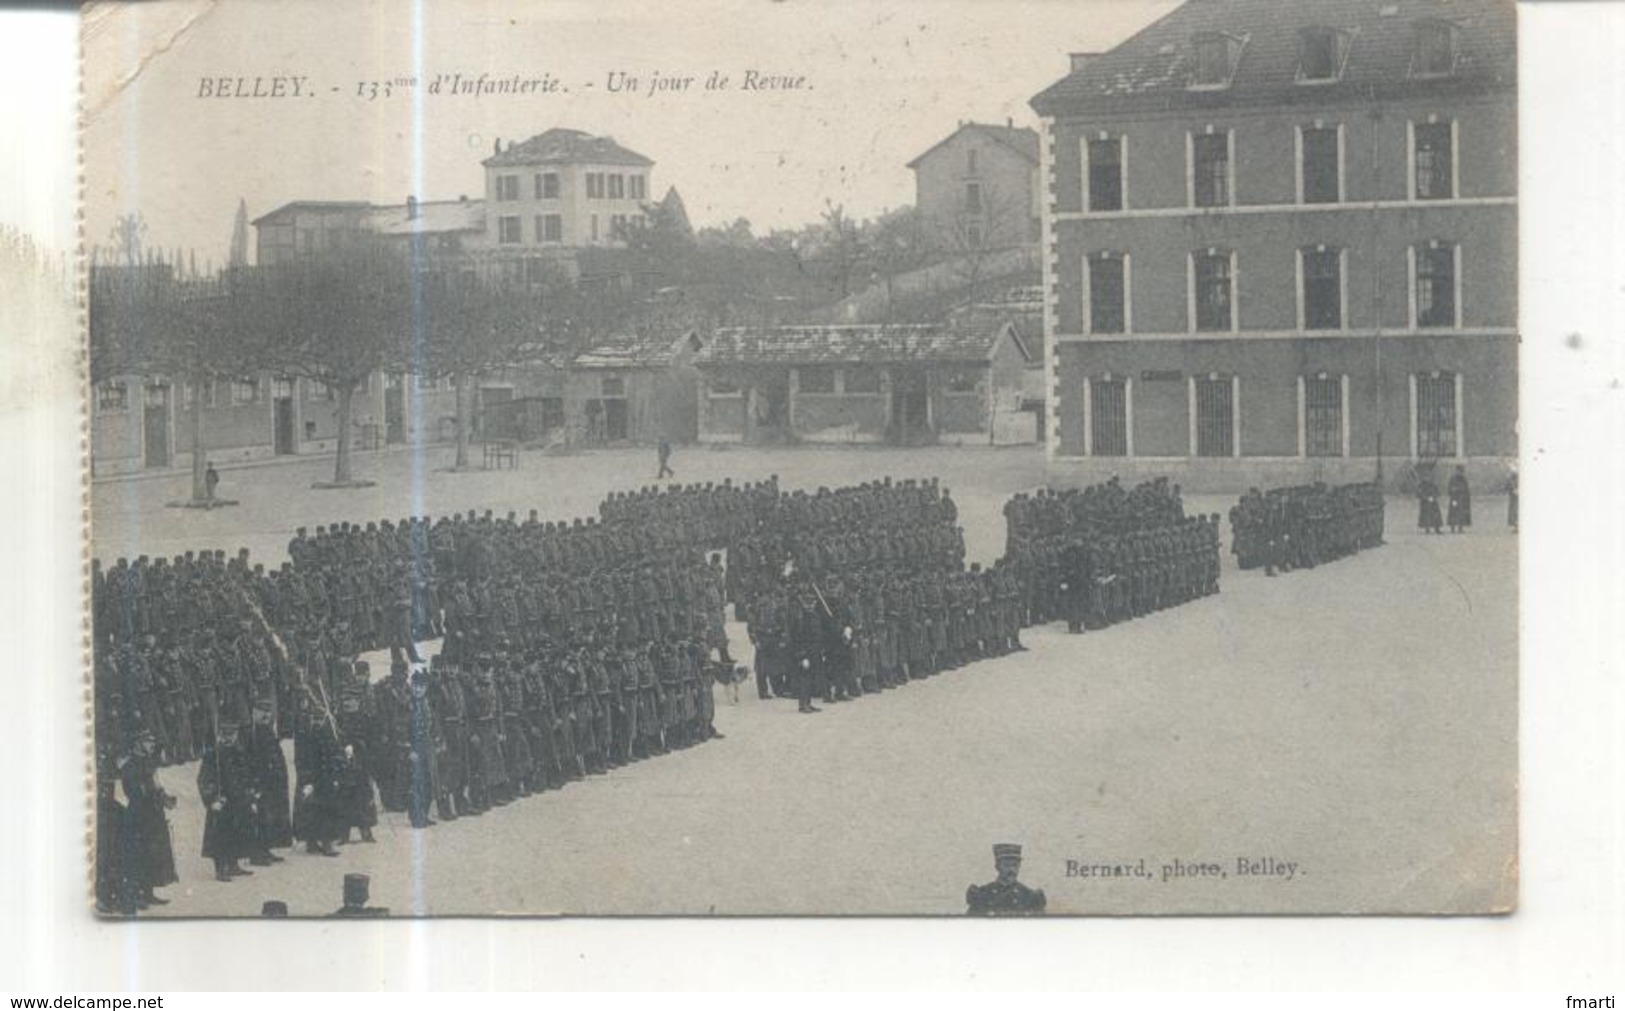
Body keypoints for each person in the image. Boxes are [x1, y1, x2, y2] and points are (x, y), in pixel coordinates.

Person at [966, 843, 1046, 916]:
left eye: (1015, 865)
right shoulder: (983, 894)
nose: (1011, 870)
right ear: (997, 866)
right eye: (1006, 865)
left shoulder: (1028, 896)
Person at [1447, 465, 1472, 534]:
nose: (1460, 473)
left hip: (1462, 499)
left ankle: (1460, 528)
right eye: (1459, 471)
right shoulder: (1452, 478)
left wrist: (1466, 497)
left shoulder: (1464, 479)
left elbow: (1467, 489)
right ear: (1456, 470)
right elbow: (1449, 489)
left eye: (1461, 471)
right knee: (1453, 513)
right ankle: (1452, 528)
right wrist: (1455, 490)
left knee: (1461, 513)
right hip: (1454, 499)